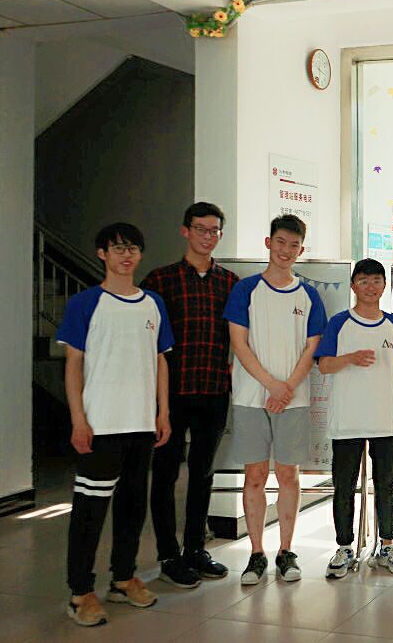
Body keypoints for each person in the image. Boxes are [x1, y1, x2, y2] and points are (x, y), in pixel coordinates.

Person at [57, 223, 173, 626]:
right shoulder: (86, 303)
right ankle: (80, 592)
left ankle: (123, 579)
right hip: (101, 424)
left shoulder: (153, 303)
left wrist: (162, 413)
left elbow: (160, 360)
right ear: (102, 253)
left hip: (141, 424)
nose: (127, 255)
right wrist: (78, 419)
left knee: (132, 506)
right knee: (89, 511)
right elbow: (73, 364)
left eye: (133, 248)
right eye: (118, 248)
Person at [224, 214, 326, 585]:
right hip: (251, 397)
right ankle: (256, 553)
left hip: (293, 400)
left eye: (293, 245)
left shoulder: (308, 295)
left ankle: (286, 551)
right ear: (269, 243)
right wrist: (271, 385)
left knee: (287, 474)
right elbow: (239, 344)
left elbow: (312, 348)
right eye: (280, 242)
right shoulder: (245, 290)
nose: (286, 250)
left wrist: (287, 387)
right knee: (254, 475)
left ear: (301, 250)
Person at [141, 202, 239, 588]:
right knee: (165, 474)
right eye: (201, 229)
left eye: (214, 230)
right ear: (185, 231)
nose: (207, 236)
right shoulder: (160, 280)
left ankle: (196, 548)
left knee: (203, 474)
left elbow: (239, 337)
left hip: (214, 390)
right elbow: (147, 340)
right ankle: (168, 554)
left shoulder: (230, 282)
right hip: (171, 394)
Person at [316, 259, 393, 578]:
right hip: (346, 420)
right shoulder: (339, 323)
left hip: (385, 420)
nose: (370, 287)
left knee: (387, 485)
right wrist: (349, 358)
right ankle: (344, 548)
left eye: (376, 280)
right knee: (343, 487)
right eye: (363, 281)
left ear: (384, 286)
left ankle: (387, 545)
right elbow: (323, 365)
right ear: (353, 286)